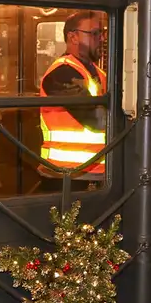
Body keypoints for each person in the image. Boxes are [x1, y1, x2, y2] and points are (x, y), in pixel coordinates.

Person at [38, 11, 108, 179]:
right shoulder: (62, 73)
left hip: (96, 173)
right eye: (95, 33)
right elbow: (98, 120)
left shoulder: (99, 73)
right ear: (73, 37)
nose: (102, 38)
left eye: (103, 33)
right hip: (68, 175)